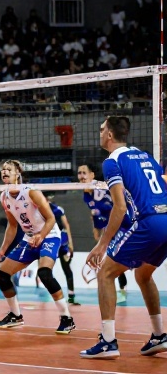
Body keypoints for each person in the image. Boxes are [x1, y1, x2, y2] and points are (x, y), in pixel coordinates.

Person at [81, 116, 167, 359]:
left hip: (149, 222)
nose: (99, 133)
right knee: (143, 275)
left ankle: (108, 341)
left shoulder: (112, 162)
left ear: (109, 134)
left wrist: (102, 244)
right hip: (166, 219)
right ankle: (159, 335)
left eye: (101, 129)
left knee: (105, 273)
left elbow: (119, 207)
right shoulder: (145, 156)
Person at [0, 160, 75, 334]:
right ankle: (15, 315)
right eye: (3, 169)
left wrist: (41, 236)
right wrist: (3, 248)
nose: (4, 171)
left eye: (9, 169)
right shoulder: (4, 197)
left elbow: (51, 218)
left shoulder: (32, 192)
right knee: (1, 275)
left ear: (18, 174)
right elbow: (12, 226)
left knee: (44, 273)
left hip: (49, 235)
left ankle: (66, 318)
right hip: (29, 238)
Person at [78, 164, 129, 303]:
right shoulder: (86, 195)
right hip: (109, 229)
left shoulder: (101, 188)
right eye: (79, 173)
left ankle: (122, 290)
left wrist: (106, 234)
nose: (81, 176)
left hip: (123, 225)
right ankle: (121, 290)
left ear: (92, 175)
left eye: (84, 173)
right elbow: (95, 213)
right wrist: (97, 229)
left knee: (114, 259)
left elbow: (117, 208)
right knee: (113, 259)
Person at [45, 198, 80, 305]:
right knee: (46, 270)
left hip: (62, 242)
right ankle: (56, 295)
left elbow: (66, 225)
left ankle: (71, 296)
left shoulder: (57, 209)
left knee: (66, 268)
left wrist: (70, 244)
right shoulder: (39, 210)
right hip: (49, 241)